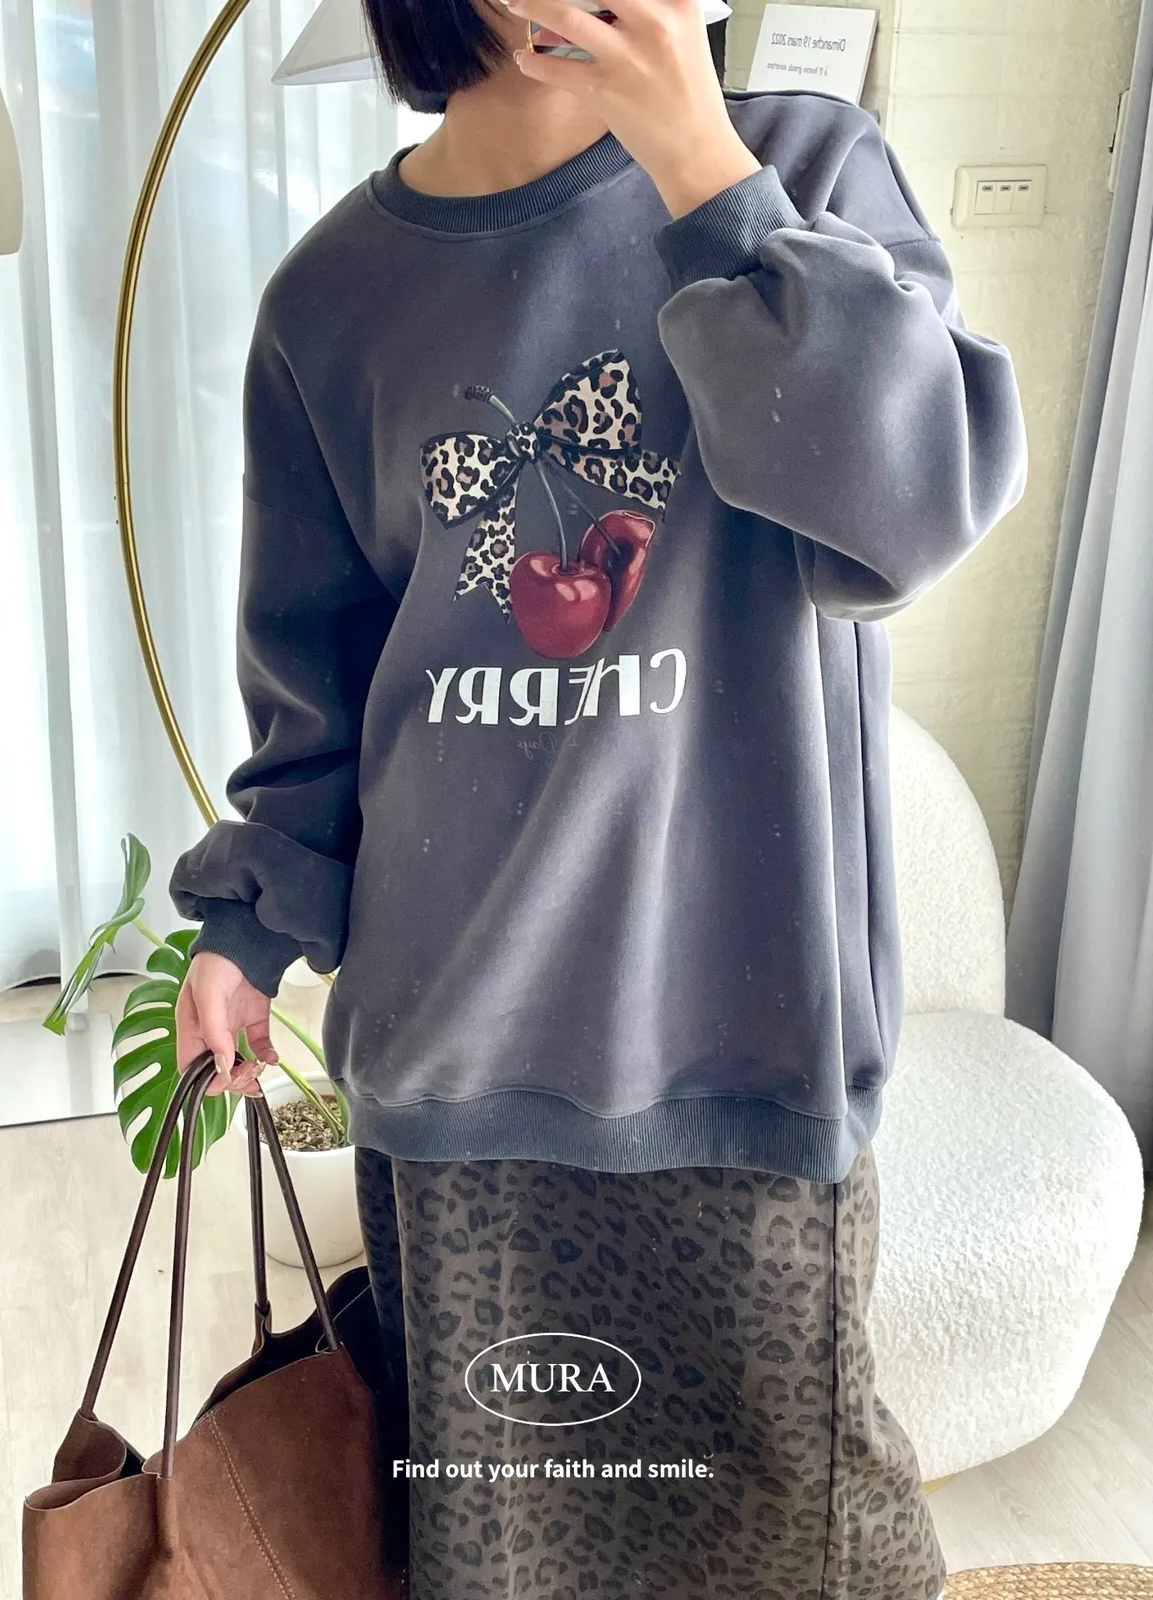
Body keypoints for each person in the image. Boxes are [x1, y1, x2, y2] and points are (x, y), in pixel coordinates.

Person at [170, 1, 1027, 1595]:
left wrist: (708, 175)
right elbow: (318, 683)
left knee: (803, 1541)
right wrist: (245, 925)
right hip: (459, 1062)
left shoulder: (809, 174)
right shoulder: (332, 298)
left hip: (740, 1045)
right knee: (505, 1549)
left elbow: (907, 515)